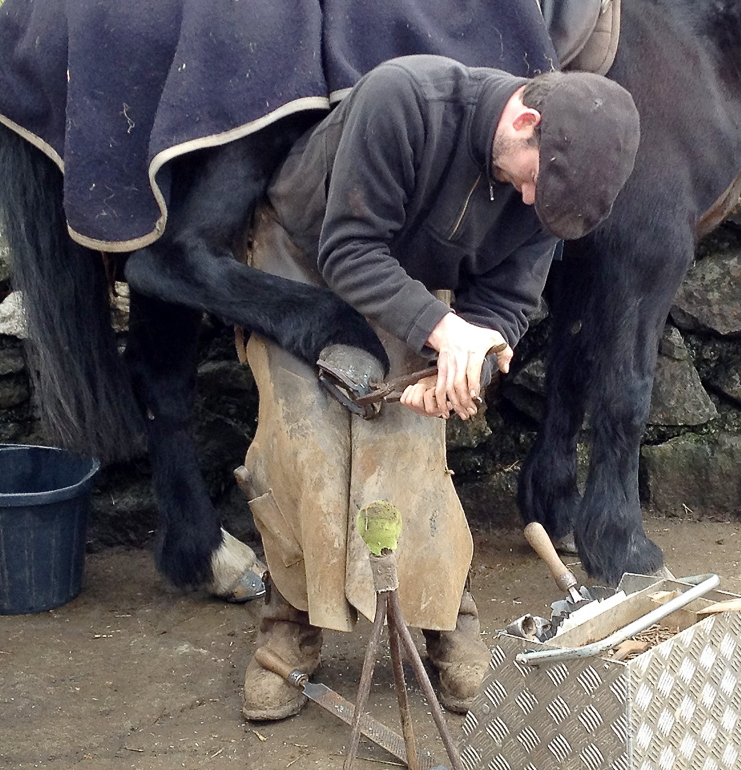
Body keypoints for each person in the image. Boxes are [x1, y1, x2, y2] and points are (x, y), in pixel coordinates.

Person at [238, 53, 640, 721]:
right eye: (536, 182)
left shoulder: (547, 194)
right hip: (304, 261)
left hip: (403, 285)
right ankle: (290, 620)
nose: (534, 202)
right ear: (526, 121)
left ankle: (444, 609)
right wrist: (446, 331)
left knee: (409, 446)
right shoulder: (407, 101)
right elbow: (349, 248)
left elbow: (507, 307)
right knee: (304, 439)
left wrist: (460, 371)